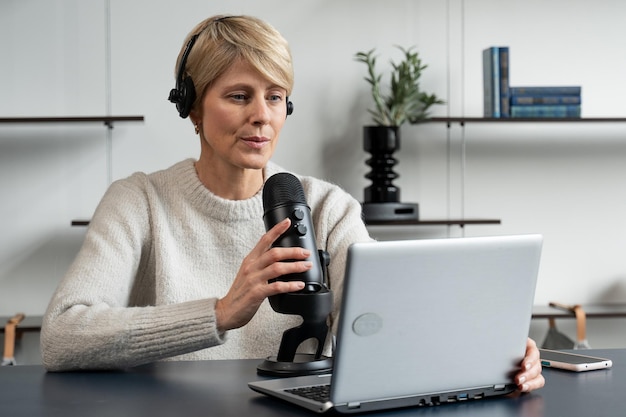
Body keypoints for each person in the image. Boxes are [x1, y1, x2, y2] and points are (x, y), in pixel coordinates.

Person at [40, 14, 544, 393]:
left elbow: (387, 325)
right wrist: (219, 312)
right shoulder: (139, 201)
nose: (262, 116)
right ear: (191, 105)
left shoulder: (325, 207)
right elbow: (63, 336)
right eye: (238, 95)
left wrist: (488, 350)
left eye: (275, 96)